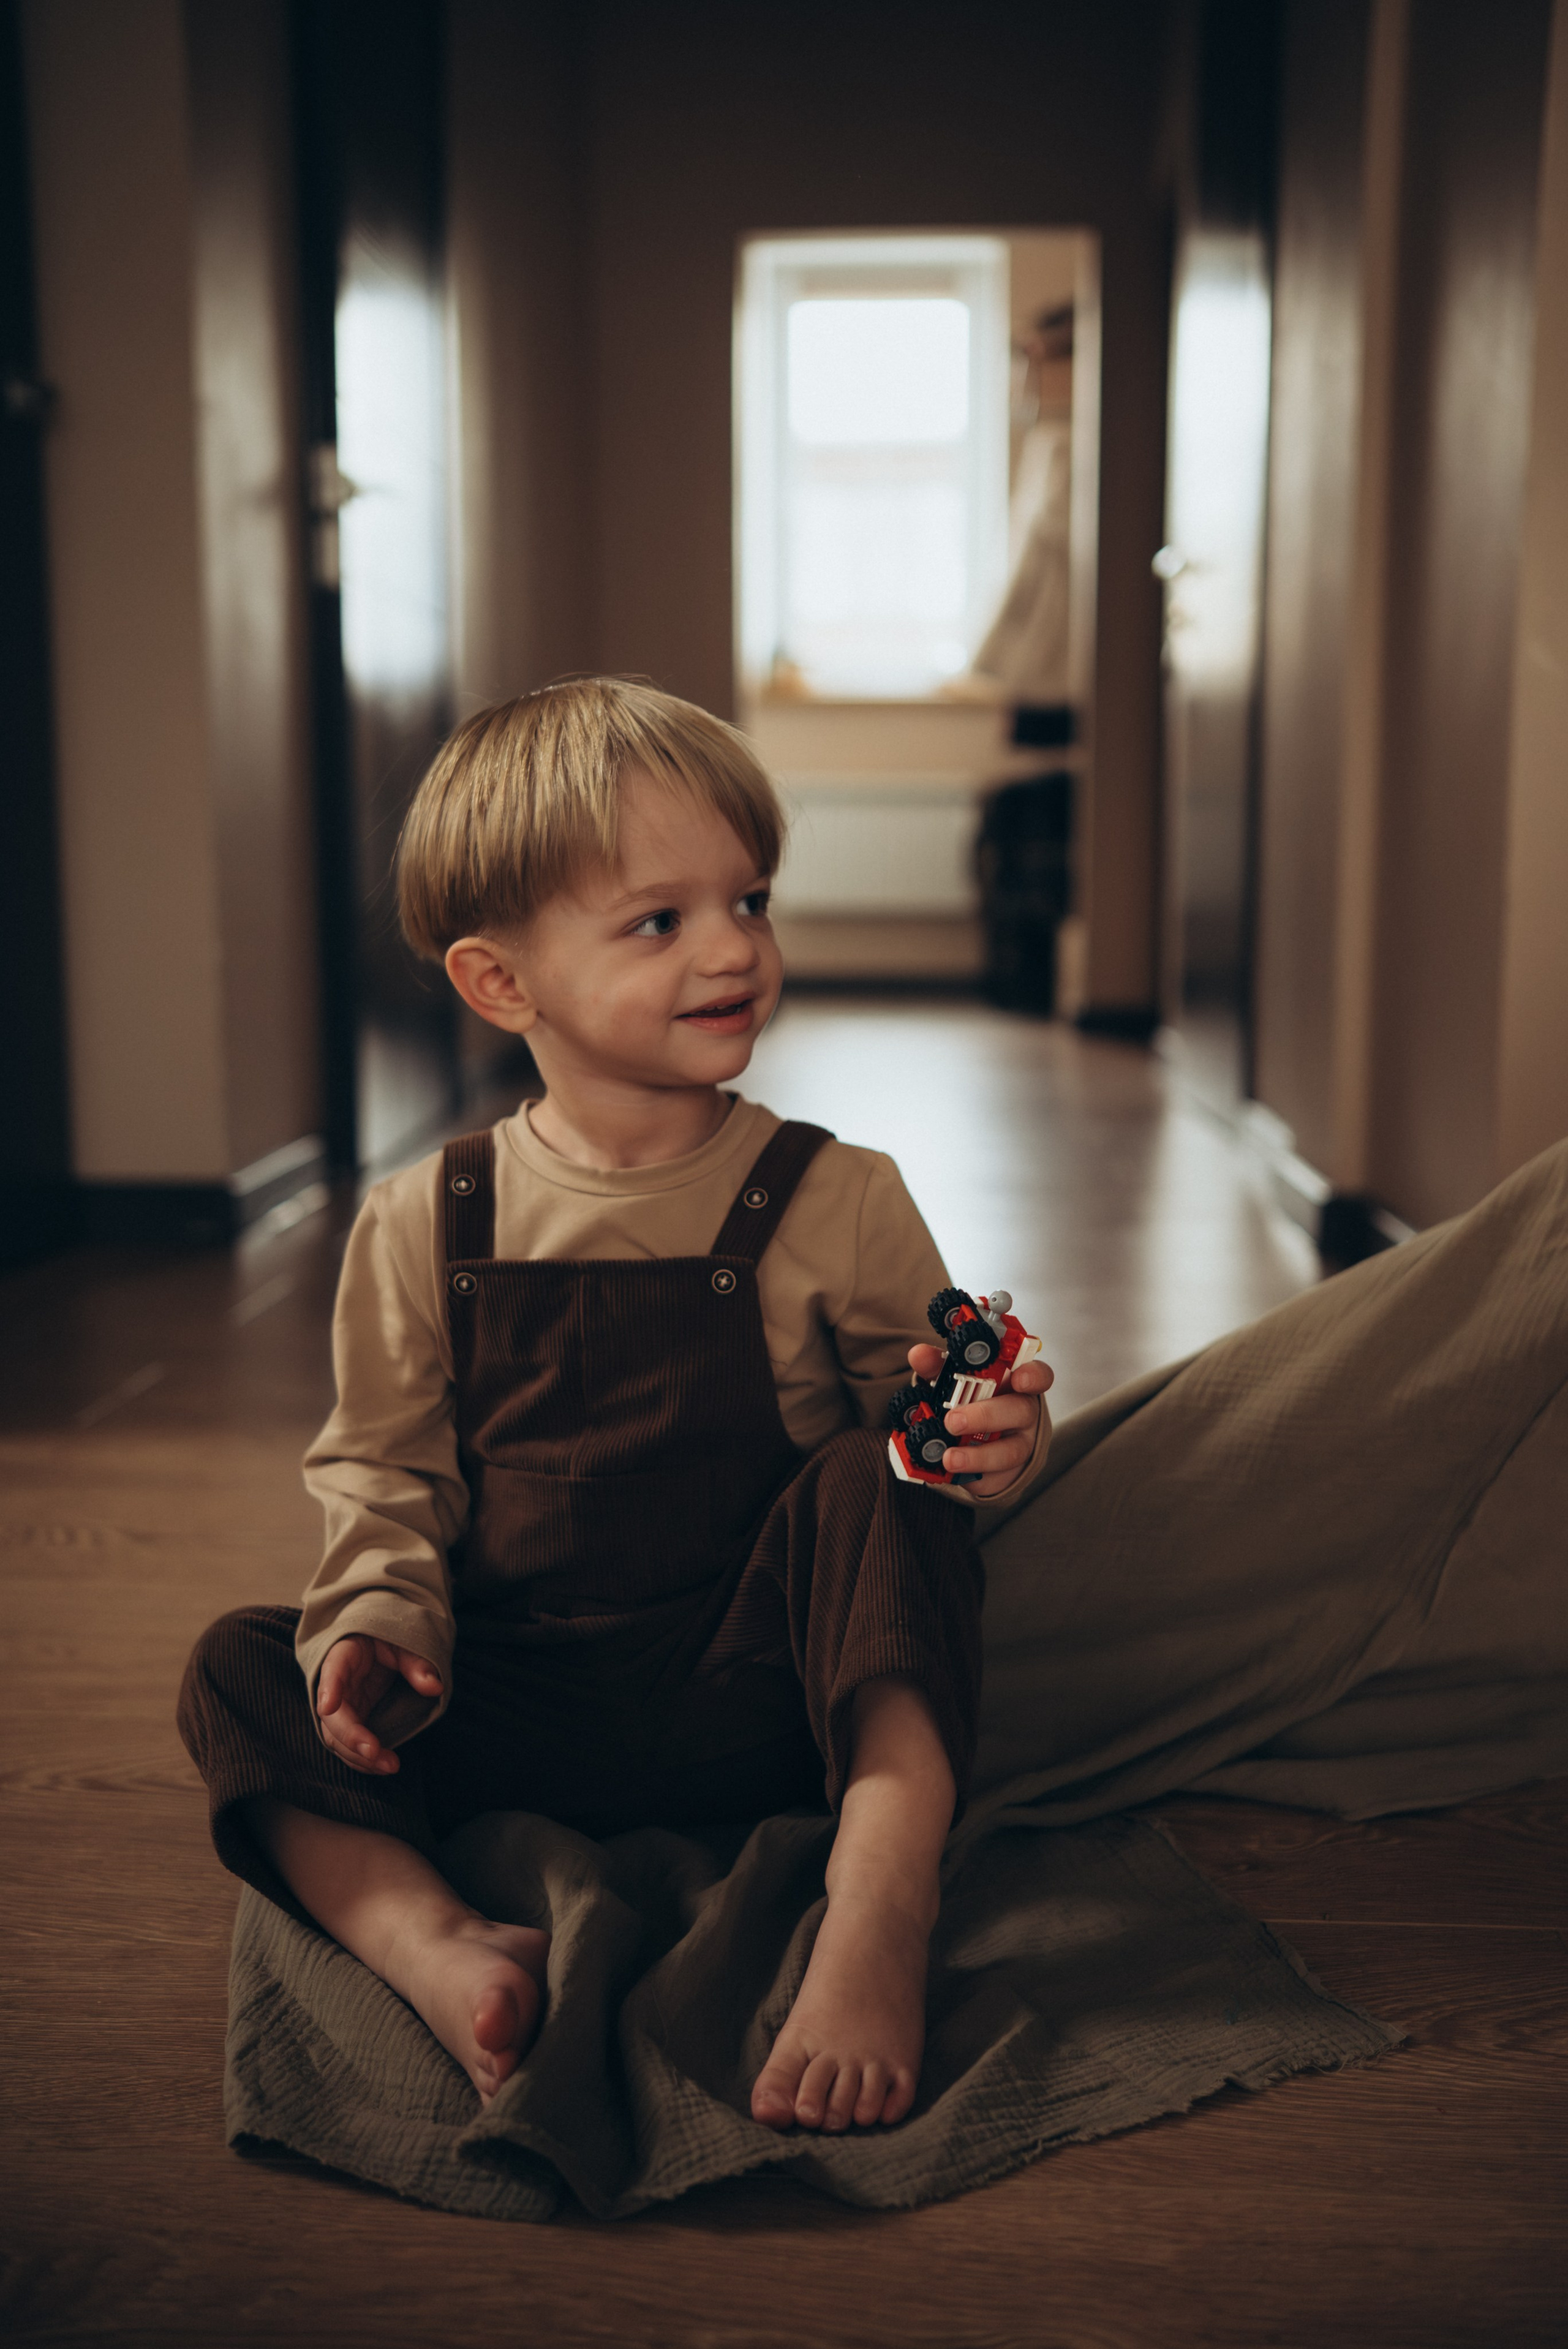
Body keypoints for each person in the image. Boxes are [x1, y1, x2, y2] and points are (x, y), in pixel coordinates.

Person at [178, 677, 1053, 2135]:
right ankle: (430, 1940)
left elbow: (921, 1464)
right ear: (500, 983)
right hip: (515, 1695)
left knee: (869, 1476)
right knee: (237, 1666)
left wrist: (986, 1437)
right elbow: (384, 1474)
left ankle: (877, 1901)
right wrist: (380, 1627)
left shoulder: (837, 1193)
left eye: (750, 899)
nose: (733, 947)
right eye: (659, 920)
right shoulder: (420, 1220)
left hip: (760, 1688)